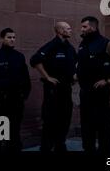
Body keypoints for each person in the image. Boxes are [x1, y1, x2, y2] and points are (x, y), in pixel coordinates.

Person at [30, 22, 77, 152]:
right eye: (68, 29)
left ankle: (60, 145)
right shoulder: (51, 46)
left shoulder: (70, 47)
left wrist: (74, 75)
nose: (70, 30)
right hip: (53, 90)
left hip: (66, 89)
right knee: (50, 119)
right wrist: (47, 77)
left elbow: (76, 63)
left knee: (65, 118)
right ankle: (46, 147)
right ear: (60, 31)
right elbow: (35, 60)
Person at [0, 28, 31, 152]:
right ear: (2, 38)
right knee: (0, 132)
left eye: (14, 37)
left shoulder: (19, 57)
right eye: (9, 37)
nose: (12, 40)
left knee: (14, 130)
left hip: (16, 101)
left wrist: (23, 95)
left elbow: (26, 78)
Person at [76, 16, 110, 153]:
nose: (82, 29)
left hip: (100, 93)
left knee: (103, 124)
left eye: (84, 26)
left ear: (93, 27)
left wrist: (106, 79)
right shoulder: (82, 44)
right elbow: (81, 64)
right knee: (86, 124)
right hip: (85, 92)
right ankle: (88, 148)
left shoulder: (105, 43)